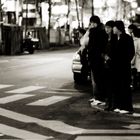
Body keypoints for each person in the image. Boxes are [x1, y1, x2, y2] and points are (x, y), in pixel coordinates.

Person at [111, 20, 135, 114]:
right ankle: (119, 105)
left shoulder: (127, 38)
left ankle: (127, 107)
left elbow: (131, 52)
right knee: (118, 86)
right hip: (116, 67)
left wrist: (124, 61)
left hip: (124, 67)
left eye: (114, 27)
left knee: (125, 86)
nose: (113, 29)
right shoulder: (115, 38)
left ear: (118, 28)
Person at [85, 15, 108, 105]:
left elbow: (89, 44)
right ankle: (97, 97)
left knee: (97, 79)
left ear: (94, 23)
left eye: (91, 23)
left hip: (95, 58)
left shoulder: (95, 31)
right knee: (97, 79)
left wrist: (89, 30)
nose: (90, 25)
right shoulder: (102, 31)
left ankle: (99, 98)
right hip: (98, 58)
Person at [103, 20, 117, 111]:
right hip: (106, 64)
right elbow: (102, 49)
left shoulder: (115, 39)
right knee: (107, 85)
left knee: (113, 85)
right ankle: (109, 103)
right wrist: (104, 56)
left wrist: (110, 57)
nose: (106, 29)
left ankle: (113, 104)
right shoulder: (105, 38)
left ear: (112, 28)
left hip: (113, 64)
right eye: (106, 27)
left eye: (108, 27)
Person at [128, 24, 140, 90]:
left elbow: (134, 51)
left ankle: (134, 86)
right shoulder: (137, 39)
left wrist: (131, 61)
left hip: (136, 59)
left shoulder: (135, 40)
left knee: (134, 74)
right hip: (137, 59)